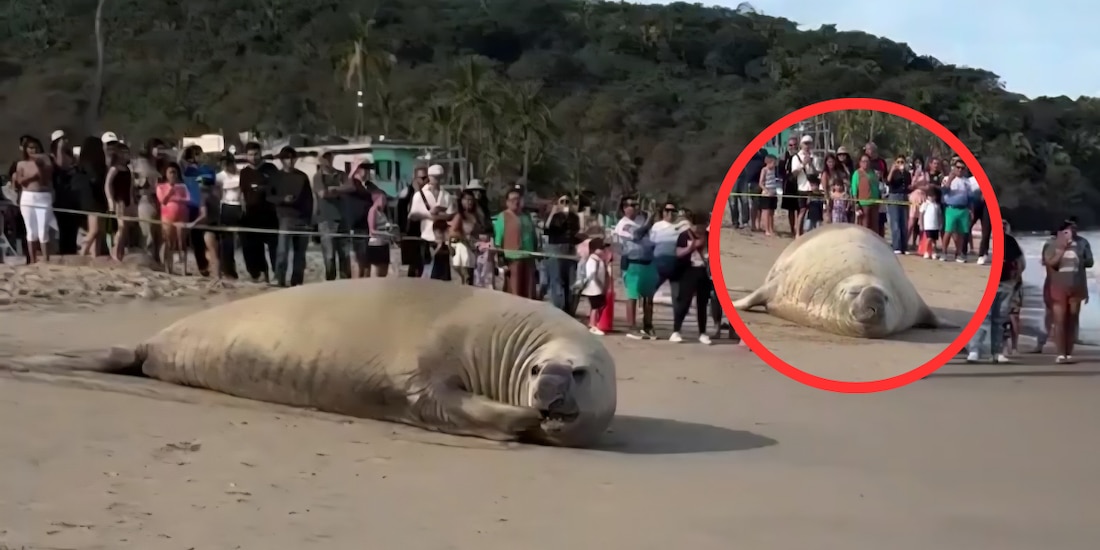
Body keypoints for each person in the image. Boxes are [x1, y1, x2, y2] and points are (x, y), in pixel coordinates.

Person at [966, 219, 1023, 364]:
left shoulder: (1010, 241)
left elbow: (1019, 262)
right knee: (984, 318)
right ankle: (975, 350)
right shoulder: (987, 240)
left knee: (1000, 319)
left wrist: (1014, 280)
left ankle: (996, 352)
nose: (1002, 227)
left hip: (1005, 284)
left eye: (1005, 225)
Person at [1042, 219, 1093, 364]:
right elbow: (1050, 263)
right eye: (1068, 229)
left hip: (1077, 285)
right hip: (1057, 286)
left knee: (1072, 318)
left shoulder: (1083, 243)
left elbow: (1090, 262)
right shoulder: (1051, 244)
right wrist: (1063, 248)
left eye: (1074, 229)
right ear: (1060, 232)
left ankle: (1069, 351)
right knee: (1060, 319)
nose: (1072, 232)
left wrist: (1083, 256)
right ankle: (1060, 353)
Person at [266, 147, 312, 287]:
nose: (290, 161)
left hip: (302, 218)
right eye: (287, 158)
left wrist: (309, 219)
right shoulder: (276, 176)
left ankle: (297, 281)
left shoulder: (302, 176)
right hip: (285, 218)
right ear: (282, 160)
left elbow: (309, 199)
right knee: (282, 251)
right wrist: (282, 199)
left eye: (293, 158)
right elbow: (269, 196)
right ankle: (279, 278)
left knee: (300, 254)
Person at [614, 197, 659, 339]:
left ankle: (648, 326)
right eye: (631, 205)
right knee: (632, 296)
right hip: (633, 262)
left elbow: (652, 239)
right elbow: (637, 235)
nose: (634, 207)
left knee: (648, 296)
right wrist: (650, 220)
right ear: (624, 208)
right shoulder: (623, 224)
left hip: (648, 262)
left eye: (635, 204)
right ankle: (631, 327)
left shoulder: (641, 221)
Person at [238, 142, 279, 282]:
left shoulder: (271, 168)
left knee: (275, 246)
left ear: (261, 153)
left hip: (270, 214)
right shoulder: (244, 172)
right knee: (254, 248)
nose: (254, 157)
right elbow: (243, 194)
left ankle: (277, 273)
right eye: (250, 154)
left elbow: (277, 188)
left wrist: (264, 188)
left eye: (256, 154)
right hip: (252, 214)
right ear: (246, 155)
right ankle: (262, 273)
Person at [669, 214, 713, 345]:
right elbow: (678, 253)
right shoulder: (684, 235)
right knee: (684, 301)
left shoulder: (709, 236)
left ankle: (703, 333)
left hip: (703, 271)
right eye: (697, 225)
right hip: (688, 271)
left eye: (703, 225)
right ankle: (676, 331)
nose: (700, 228)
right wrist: (692, 247)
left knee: (702, 303)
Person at [311, 150, 352, 281]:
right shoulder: (318, 177)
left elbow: (351, 187)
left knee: (345, 255)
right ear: (320, 160)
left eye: (329, 156)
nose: (328, 159)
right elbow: (323, 193)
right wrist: (340, 190)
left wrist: (334, 190)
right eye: (325, 157)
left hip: (343, 218)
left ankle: (346, 284)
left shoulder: (341, 174)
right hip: (326, 220)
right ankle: (330, 284)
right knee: (329, 256)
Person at [12, 136, 54, 263]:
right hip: (27, 197)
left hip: (43, 196)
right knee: (31, 230)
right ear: (26, 149)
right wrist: (33, 176)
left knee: (43, 230)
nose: (33, 150)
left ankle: (46, 260)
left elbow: (46, 179)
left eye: (36, 147)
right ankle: (33, 260)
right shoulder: (21, 164)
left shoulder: (46, 161)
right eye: (30, 148)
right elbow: (20, 181)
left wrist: (40, 168)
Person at [492, 187, 539, 298]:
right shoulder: (502, 217)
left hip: (529, 259)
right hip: (513, 260)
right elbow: (498, 241)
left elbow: (533, 236)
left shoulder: (526, 217)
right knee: (515, 292)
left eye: (518, 199)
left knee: (529, 292)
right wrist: (502, 261)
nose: (516, 202)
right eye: (512, 200)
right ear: (507, 202)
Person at [180, 145, 216, 275]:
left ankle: (214, 266)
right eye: (196, 154)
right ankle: (203, 267)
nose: (199, 156)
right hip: (192, 206)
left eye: (200, 153)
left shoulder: (208, 170)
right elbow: (179, 162)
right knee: (197, 240)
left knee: (210, 238)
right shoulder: (187, 171)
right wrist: (185, 151)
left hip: (207, 205)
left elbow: (212, 185)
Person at [543, 195, 582, 311]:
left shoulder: (574, 217)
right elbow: (546, 230)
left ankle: (569, 309)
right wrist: (553, 212)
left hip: (569, 248)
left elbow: (577, 231)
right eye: (562, 201)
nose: (565, 204)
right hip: (556, 247)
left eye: (567, 201)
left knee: (570, 280)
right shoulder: (553, 216)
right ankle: (558, 308)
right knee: (557, 279)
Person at [75, 136, 109, 257]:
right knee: (94, 230)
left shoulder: (84, 164)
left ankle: (95, 254)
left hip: (95, 200)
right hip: (93, 200)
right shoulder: (91, 165)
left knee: (98, 231)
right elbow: (95, 181)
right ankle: (83, 251)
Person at [156, 162, 191, 276]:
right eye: (170, 172)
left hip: (182, 216)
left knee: (182, 242)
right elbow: (163, 201)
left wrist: (175, 199)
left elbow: (188, 199)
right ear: (166, 174)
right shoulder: (161, 187)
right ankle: (168, 268)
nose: (173, 175)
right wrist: (171, 192)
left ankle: (183, 269)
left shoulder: (183, 186)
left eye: (175, 172)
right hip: (167, 216)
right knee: (168, 241)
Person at [213, 153, 242, 279]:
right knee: (227, 242)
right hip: (227, 207)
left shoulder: (241, 174)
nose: (225, 165)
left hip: (241, 206)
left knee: (245, 240)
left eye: (227, 162)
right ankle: (229, 270)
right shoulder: (219, 177)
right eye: (223, 163)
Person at [105, 142, 136, 261]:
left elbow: (130, 187)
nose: (126, 155)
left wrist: (132, 200)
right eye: (123, 152)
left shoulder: (127, 169)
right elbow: (107, 185)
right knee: (121, 227)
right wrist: (110, 200)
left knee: (125, 229)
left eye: (127, 152)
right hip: (118, 201)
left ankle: (120, 252)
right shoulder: (114, 169)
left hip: (127, 201)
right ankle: (115, 251)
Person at [189, 178, 223, 281]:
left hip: (208, 227)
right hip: (216, 225)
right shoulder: (215, 197)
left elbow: (204, 215)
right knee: (214, 253)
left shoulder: (203, 197)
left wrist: (193, 223)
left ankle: (217, 277)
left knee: (212, 253)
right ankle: (217, 275)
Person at [940, 159, 971, 262]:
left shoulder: (967, 181)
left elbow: (969, 196)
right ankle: (944, 253)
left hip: (963, 209)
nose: (960, 170)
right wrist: (950, 179)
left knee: (961, 233)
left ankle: (958, 254)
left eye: (962, 168)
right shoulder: (946, 179)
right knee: (948, 231)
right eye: (958, 167)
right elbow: (944, 192)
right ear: (954, 168)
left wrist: (971, 210)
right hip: (951, 208)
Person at [578, 237, 610, 336]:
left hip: (598, 287)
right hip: (593, 287)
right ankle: (592, 325)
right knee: (595, 306)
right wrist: (600, 285)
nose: (603, 250)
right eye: (601, 248)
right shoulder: (592, 260)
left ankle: (595, 322)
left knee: (599, 305)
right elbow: (592, 274)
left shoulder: (599, 260)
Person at [788, 135, 817, 237]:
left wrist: (811, 163)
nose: (807, 146)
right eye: (805, 143)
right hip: (802, 187)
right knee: (802, 210)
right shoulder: (796, 157)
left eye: (809, 143)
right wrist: (804, 164)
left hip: (813, 188)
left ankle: (810, 233)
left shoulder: (814, 157)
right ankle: (798, 233)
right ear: (801, 145)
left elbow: (817, 172)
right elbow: (794, 173)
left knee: (814, 212)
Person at [361, 187, 392, 278]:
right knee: (376, 272)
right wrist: (384, 233)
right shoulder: (372, 211)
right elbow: (372, 230)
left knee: (384, 271)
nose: (385, 202)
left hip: (384, 243)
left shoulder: (382, 212)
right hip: (376, 244)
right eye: (383, 199)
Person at [884, 154, 912, 254]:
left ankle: (904, 246)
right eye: (898, 162)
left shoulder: (907, 174)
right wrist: (892, 170)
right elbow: (887, 182)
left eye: (902, 162)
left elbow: (909, 186)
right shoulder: (893, 172)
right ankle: (896, 246)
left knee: (904, 222)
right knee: (895, 222)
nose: (900, 164)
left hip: (904, 197)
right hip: (894, 196)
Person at [850, 154, 880, 232]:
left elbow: (876, 186)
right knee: (865, 225)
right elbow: (854, 189)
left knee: (875, 226)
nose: (865, 163)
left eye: (867, 161)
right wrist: (856, 203)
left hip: (874, 202)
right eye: (863, 161)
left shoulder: (873, 173)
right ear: (860, 163)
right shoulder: (857, 173)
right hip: (863, 203)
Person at [757, 153, 781, 236]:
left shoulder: (774, 170)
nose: (775, 164)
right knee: (766, 213)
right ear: (768, 162)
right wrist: (767, 191)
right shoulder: (764, 170)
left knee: (771, 213)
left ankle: (771, 229)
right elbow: (761, 183)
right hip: (766, 194)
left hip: (773, 193)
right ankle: (766, 229)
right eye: (774, 163)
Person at [919, 188, 943, 260]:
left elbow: (939, 215)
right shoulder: (925, 204)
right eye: (930, 196)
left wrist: (940, 223)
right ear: (927, 196)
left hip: (935, 226)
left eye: (933, 196)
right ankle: (926, 251)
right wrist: (921, 224)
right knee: (929, 239)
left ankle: (933, 252)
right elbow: (921, 214)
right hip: (928, 226)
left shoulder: (937, 205)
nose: (932, 198)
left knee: (934, 240)